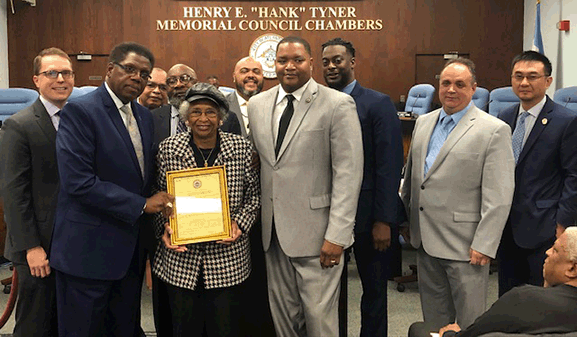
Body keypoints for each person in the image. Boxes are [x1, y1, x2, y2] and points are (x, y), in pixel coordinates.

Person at [49, 42, 174, 337]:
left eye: (144, 73)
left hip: (129, 251)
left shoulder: (143, 116)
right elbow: (78, 182)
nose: (137, 78)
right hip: (88, 252)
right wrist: (142, 205)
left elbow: (144, 176)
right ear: (109, 69)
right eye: (129, 69)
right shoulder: (80, 111)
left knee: (124, 329)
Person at [247, 36, 364, 337]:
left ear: (311, 63)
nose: (289, 66)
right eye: (282, 60)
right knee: (283, 319)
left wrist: (338, 235)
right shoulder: (258, 105)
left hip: (318, 236)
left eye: (297, 60)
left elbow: (348, 175)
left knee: (319, 321)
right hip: (273, 235)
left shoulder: (337, 104)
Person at [400, 58, 515, 331]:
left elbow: (499, 195)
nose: (451, 89)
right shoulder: (424, 123)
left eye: (460, 84)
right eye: (446, 83)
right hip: (425, 241)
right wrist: (407, 220)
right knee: (434, 321)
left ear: (473, 88)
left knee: (469, 323)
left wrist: (485, 243)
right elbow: (414, 178)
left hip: (466, 246)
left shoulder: (493, 130)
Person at [154, 82, 260, 337]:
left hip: (227, 258)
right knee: (184, 329)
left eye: (211, 112)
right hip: (182, 259)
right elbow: (161, 198)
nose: (203, 119)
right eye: (196, 112)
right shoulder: (168, 148)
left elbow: (254, 198)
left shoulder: (241, 148)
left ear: (221, 118)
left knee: (224, 328)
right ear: (186, 118)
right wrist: (166, 228)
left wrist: (240, 225)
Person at [321, 37, 405, 337]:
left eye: (338, 60)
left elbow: (389, 164)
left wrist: (385, 219)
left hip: (371, 218)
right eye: (326, 62)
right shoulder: (319, 102)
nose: (331, 66)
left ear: (352, 62)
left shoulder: (377, 103)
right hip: (328, 217)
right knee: (329, 294)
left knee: (373, 293)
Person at [0, 47, 74, 337]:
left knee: (64, 320)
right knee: (36, 323)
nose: (60, 79)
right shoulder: (18, 125)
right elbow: (14, 192)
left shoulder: (79, 120)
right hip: (37, 245)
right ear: (36, 80)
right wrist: (31, 247)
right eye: (51, 73)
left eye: (66, 73)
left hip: (72, 240)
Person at [497, 50, 577, 297]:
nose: (524, 83)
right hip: (505, 226)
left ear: (548, 81)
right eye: (518, 76)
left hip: (544, 228)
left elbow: (574, 177)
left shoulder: (566, 121)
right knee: (508, 298)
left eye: (532, 76)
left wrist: (562, 224)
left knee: (537, 301)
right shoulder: (504, 117)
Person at [409, 226, 577, 337]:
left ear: (572, 269)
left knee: (418, 330)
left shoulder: (525, 300)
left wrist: (450, 334)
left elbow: (472, 334)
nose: (547, 252)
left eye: (555, 250)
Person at [152, 64, 240, 146]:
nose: (178, 85)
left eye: (185, 79)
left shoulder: (228, 118)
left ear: (196, 84)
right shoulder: (153, 118)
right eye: (172, 81)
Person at [226, 56, 264, 137]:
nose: (250, 75)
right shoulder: (222, 105)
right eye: (244, 71)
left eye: (256, 72)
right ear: (234, 77)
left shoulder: (273, 105)